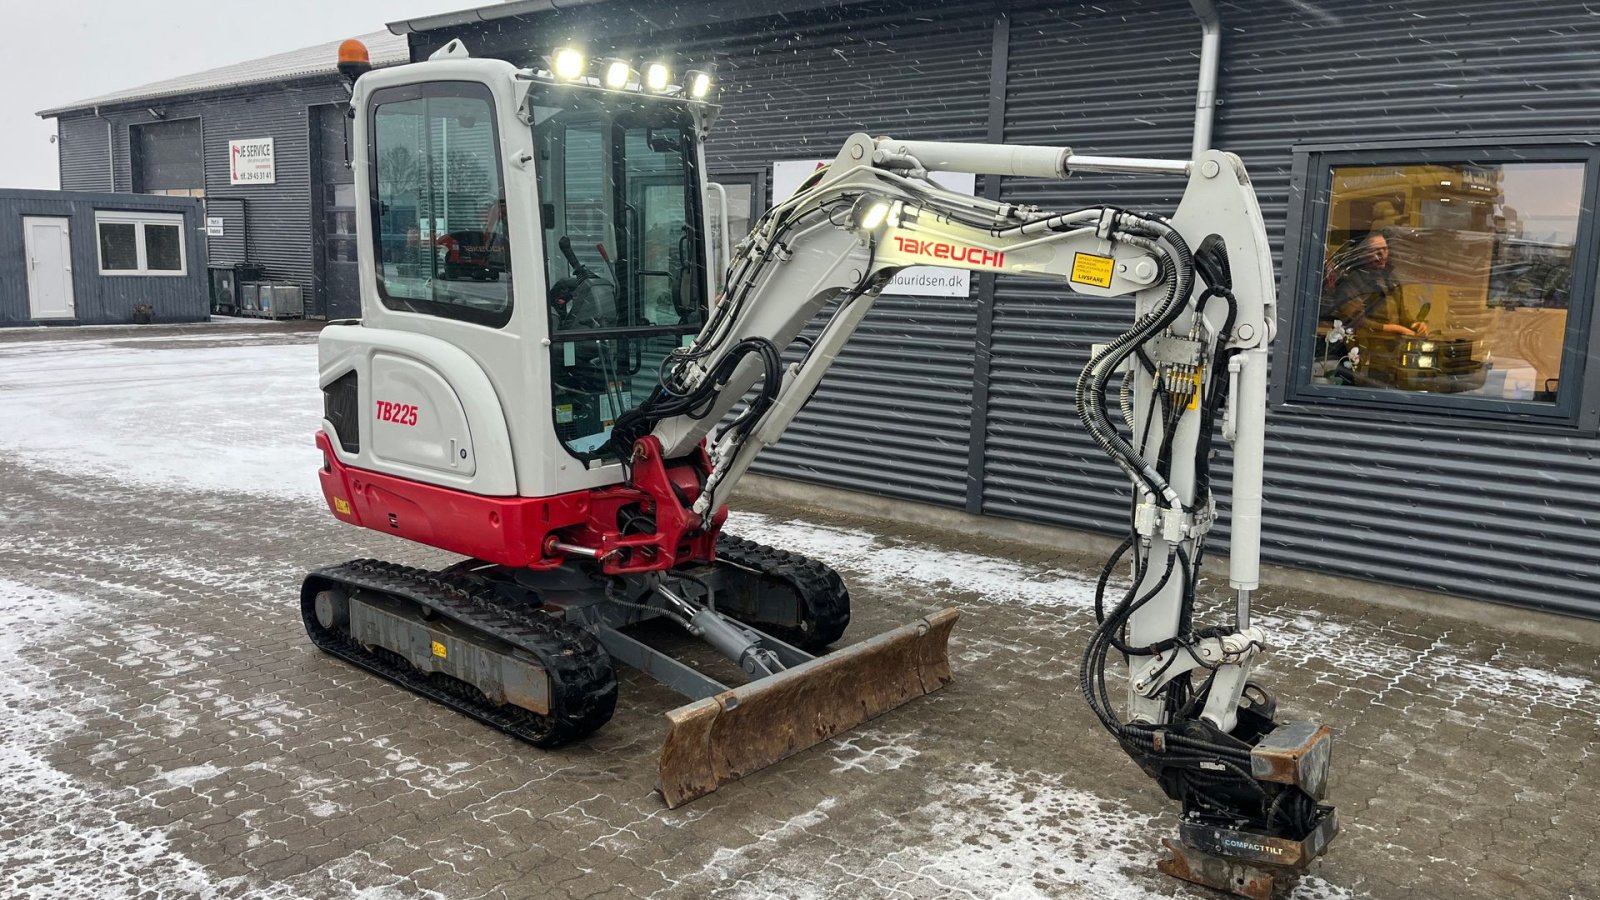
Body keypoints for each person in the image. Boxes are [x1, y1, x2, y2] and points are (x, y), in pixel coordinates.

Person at [1321, 231, 1428, 339]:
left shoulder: (1391, 279)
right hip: (1365, 345)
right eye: (1376, 251)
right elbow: (1353, 319)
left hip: (1391, 348)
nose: (1381, 255)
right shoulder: (1352, 280)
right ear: (1363, 253)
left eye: (1385, 249)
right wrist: (1394, 329)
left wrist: (1415, 325)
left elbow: (1401, 314)